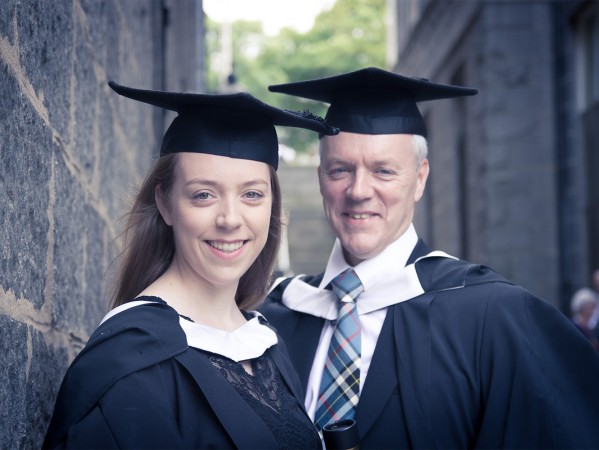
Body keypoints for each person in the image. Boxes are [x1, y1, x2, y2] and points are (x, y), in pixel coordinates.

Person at [260, 67, 599, 449]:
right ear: (321, 176)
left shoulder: (495, 316)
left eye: (383, 171)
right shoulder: (275, 319)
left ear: (420, 178)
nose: (358, 191)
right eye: (340, 169)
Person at [43, 81, 338, 449]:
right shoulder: (128, 363)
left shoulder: (265, 342)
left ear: (272, 207)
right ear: (165, 204)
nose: (230, 218)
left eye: (252, 194)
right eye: (203, 195)